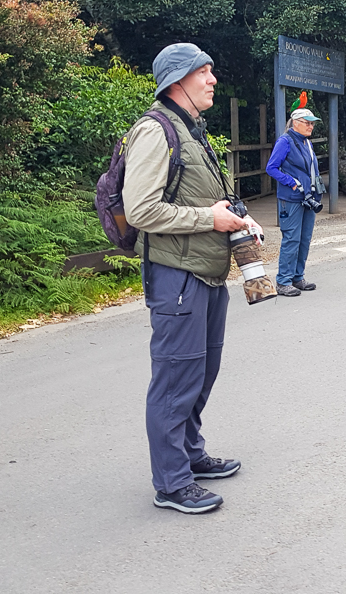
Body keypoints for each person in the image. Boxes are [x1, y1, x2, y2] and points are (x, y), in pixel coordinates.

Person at [123, 43, 254, 513]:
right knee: (176, 380)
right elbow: (140, 210)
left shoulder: (191, 131)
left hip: (206, 273)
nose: (213, 79)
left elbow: (200, 199)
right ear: (178, 81)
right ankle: (172, 483)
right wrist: (209, 220)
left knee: (200, 373)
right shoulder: (155, 131)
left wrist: (232, 218)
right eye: (205, 72)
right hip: (176, 276)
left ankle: (191, 456)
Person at [266, 108, 323, 297]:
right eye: (307, 122)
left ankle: (298, 277)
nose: (311, 126)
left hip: (308, 198)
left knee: (304, 239)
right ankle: (283, 281)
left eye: (312, 123)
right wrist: (291, 183)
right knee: (291, 238)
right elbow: (271, 168)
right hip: (291, 199)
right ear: (295, 122)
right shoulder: (285, 141)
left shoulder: (307, 142)